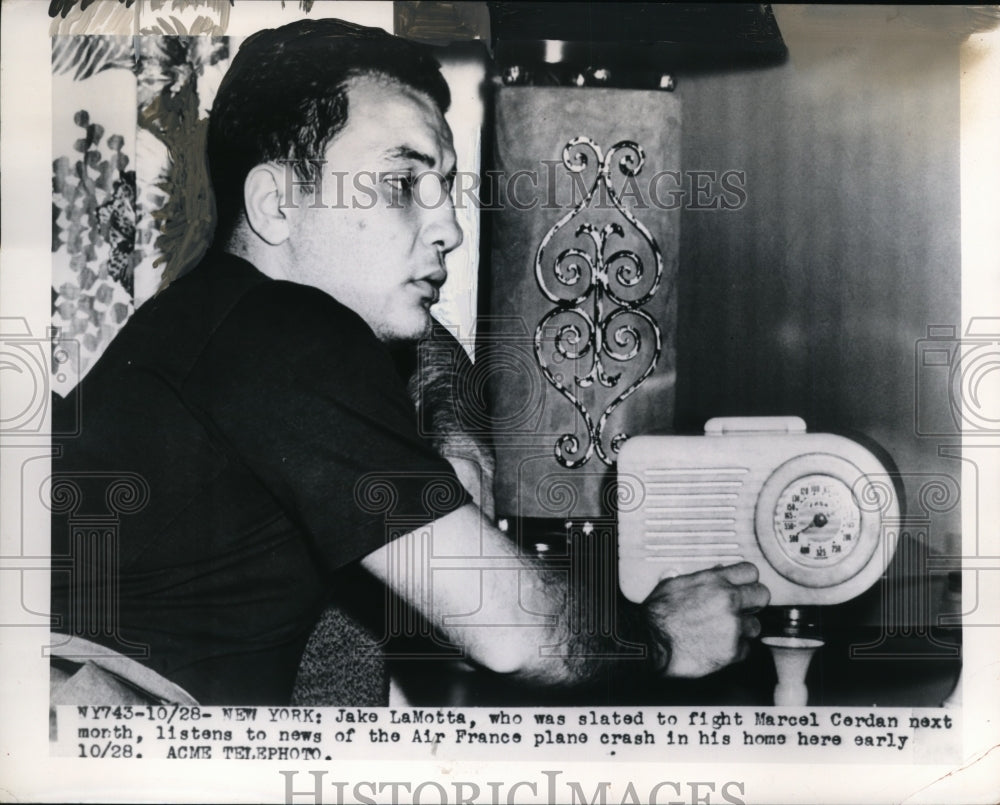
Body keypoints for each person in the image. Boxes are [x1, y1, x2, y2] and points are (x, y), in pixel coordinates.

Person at [51, 18, 768, 705]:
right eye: (401, 184)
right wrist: (662, 636)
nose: (450, 228)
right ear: (275, 204)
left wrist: (451, 432)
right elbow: (513, 634)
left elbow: (426, 346)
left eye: (445, 189)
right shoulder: (286, 330)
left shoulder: (216, 321)